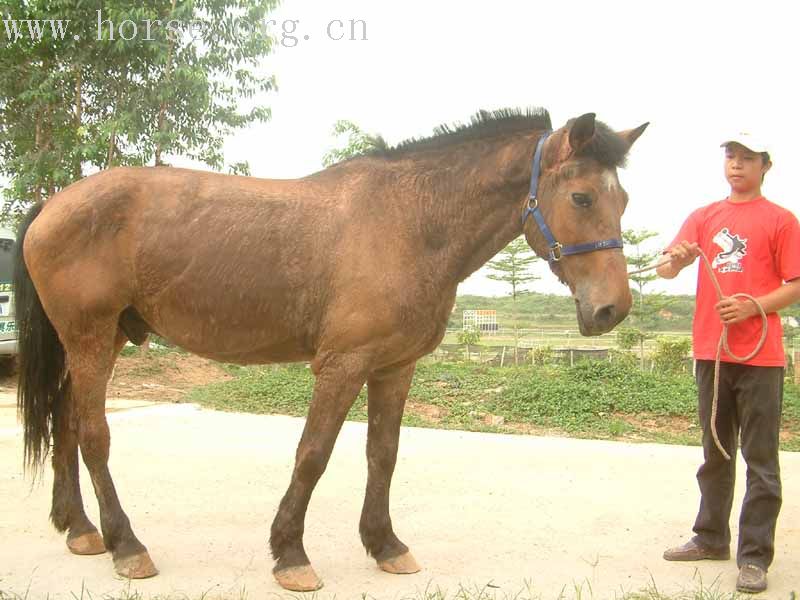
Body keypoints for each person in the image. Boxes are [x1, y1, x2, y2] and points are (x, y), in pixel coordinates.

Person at [657, 131, 800, 593]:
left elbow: (796, 284)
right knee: (715, 450)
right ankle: (710, 537)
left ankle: (754, 557)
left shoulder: (781, 220)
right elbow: (664, 267)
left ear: (765, 165)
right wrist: (676, 260)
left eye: (747, 158)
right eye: (730, 156)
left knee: (760, 458)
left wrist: (753, 305)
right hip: (712, 351)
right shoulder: (703, 217)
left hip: (761, 356)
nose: (736, 164)